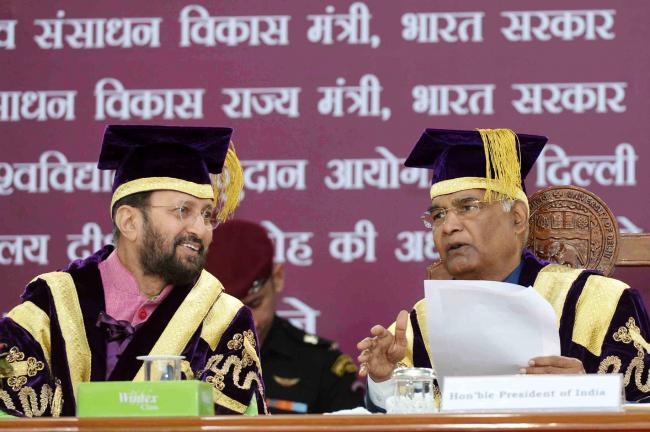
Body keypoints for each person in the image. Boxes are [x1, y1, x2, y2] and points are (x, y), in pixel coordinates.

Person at [357, 128, 650, 409]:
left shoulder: (599, 303)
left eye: (468, 207)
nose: (448, 226)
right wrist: (383, 381)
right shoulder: (419, 326)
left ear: (518, 218)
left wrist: (587, 393)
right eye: (438, 215)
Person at [0, 125, 266, 417]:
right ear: (129, 222)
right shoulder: (45, 312)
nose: (201, 229)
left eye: (206, 215)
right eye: (183, 211)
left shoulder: (224, 321)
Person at [206, 219, 364, 414]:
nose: (247, 324)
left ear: (278, 278)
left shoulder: (322, 364)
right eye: (229, 309)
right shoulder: (186, 355)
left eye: (255, 304)